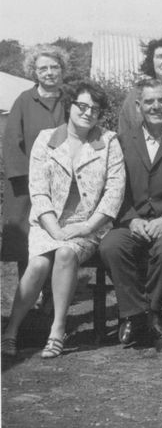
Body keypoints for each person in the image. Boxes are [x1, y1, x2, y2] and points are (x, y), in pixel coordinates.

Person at [1, 81, 125, 359]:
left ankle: (57, 330)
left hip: (88, 225)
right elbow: (38, 189)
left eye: (95, 109)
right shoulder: (46, 140)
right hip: (48, 223)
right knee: (37, 264)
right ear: (70, 106)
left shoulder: (109, 142)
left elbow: (114, 194)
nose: (88, 112)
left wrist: (86, 226)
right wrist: (53, 227)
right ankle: (11, 331)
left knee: (67, 254)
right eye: (82, 106)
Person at [99, 78, 162, 353]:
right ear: (138, 106)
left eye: (161, 100)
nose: (155, 106)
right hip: (133, 219)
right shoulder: (121, 141)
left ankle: (155, 313)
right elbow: (115, 189)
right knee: (111, 246)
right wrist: (131, 218)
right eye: (148, 101)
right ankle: (137, 315)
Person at [2, 45, 70, 279]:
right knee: (26, 238)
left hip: (62, 182)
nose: (49, 72)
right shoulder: (24, 100)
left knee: (57, 235)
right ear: (34, 71)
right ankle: (28, 290)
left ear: (62, 70)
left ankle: (52, 292)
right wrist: (28, 179)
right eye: (43, 68)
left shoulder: (69, 101)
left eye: (54, 67)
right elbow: (11, 141)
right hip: (27, 183)